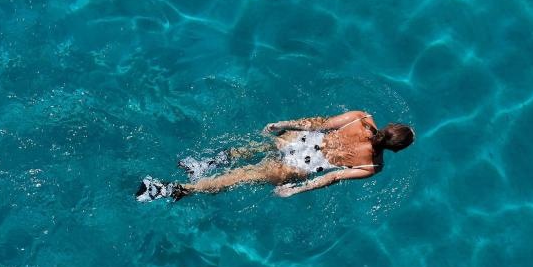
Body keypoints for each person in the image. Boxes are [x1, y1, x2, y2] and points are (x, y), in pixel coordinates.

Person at [134, 111, 415, 202]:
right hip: (302, 167)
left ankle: (205, 164)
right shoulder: (371, 166)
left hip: (304, 140)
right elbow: (332, 177)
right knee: (242, 176)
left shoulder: (361, 117)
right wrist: (295, 190)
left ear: (390, 127)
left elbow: (317, 122)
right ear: (396, 149)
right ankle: (176, 190)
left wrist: (284, 124)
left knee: (250, 148)